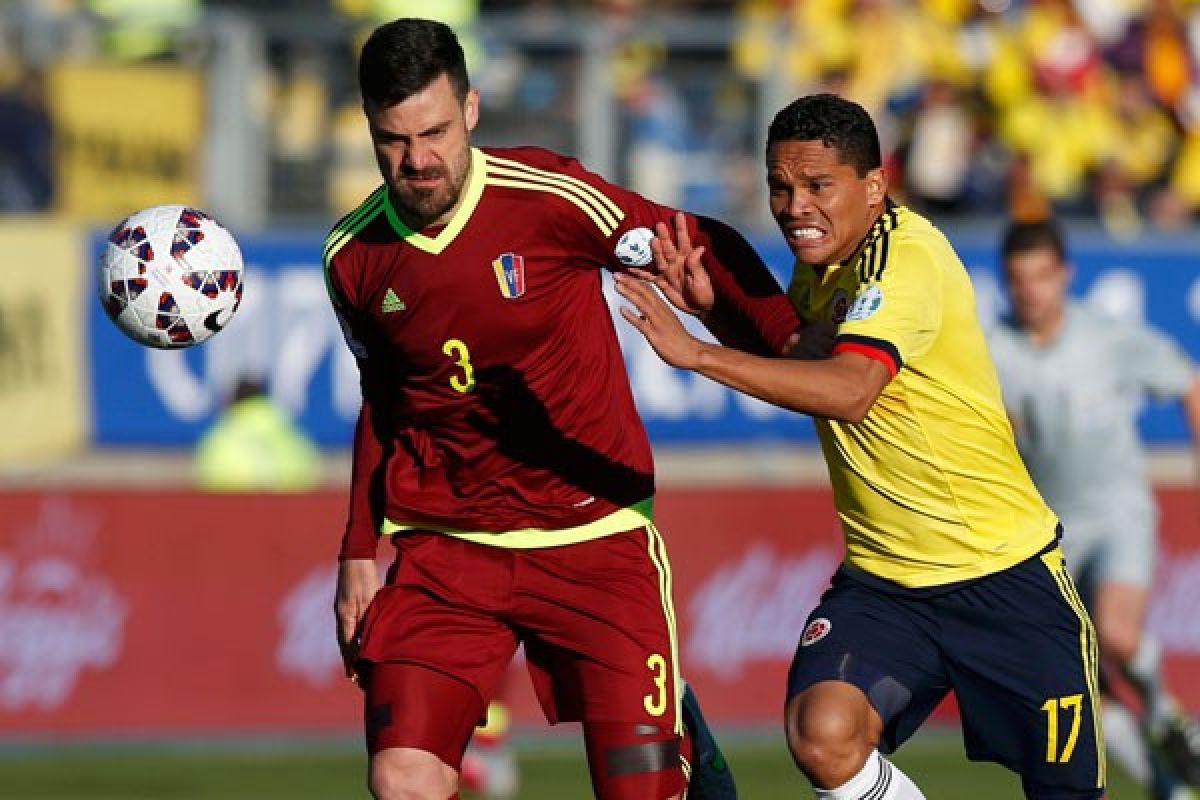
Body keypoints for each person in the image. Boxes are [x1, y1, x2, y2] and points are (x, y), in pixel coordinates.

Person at [325, 18, 800, 800]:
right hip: (448, 550)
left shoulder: (548, 199)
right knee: (403, 781)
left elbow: (693, 238)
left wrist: (788, 341)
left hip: (595, 536)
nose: (419, 160)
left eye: (436, 131)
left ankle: (684, 744)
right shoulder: (353, 257)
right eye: (394, 140)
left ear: (472, 109)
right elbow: (384, 396)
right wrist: (355, 550)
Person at [615, 93, 1106, 799]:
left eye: (818, 186)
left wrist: (694, 355)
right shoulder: (822, 265)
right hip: (886, 586)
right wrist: (717, 313)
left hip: (1005, 578)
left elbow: (848, 391)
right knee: (824, 733)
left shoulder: (906, 262)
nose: (794, 207)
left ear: (874, 185)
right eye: (780, 187)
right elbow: (804, 356)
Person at [988, 219, 1200, 800]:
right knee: (1082, 685)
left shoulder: (1106, 338)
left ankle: (1165, 713)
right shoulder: (993, 352)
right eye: (1018, 279)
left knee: (1117, 634)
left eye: (1041, 276)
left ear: (1065, 276)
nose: (1031, 290)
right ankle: (1170, 787)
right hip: (1049, 533)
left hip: (1117, 512)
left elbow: (1187, 380)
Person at [193, 378, 322, 492]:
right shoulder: (289, 431)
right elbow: (312, 474)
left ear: (231, 402)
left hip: (235, 511)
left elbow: (207, 483)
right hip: (291, 511)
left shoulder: (220, 437)